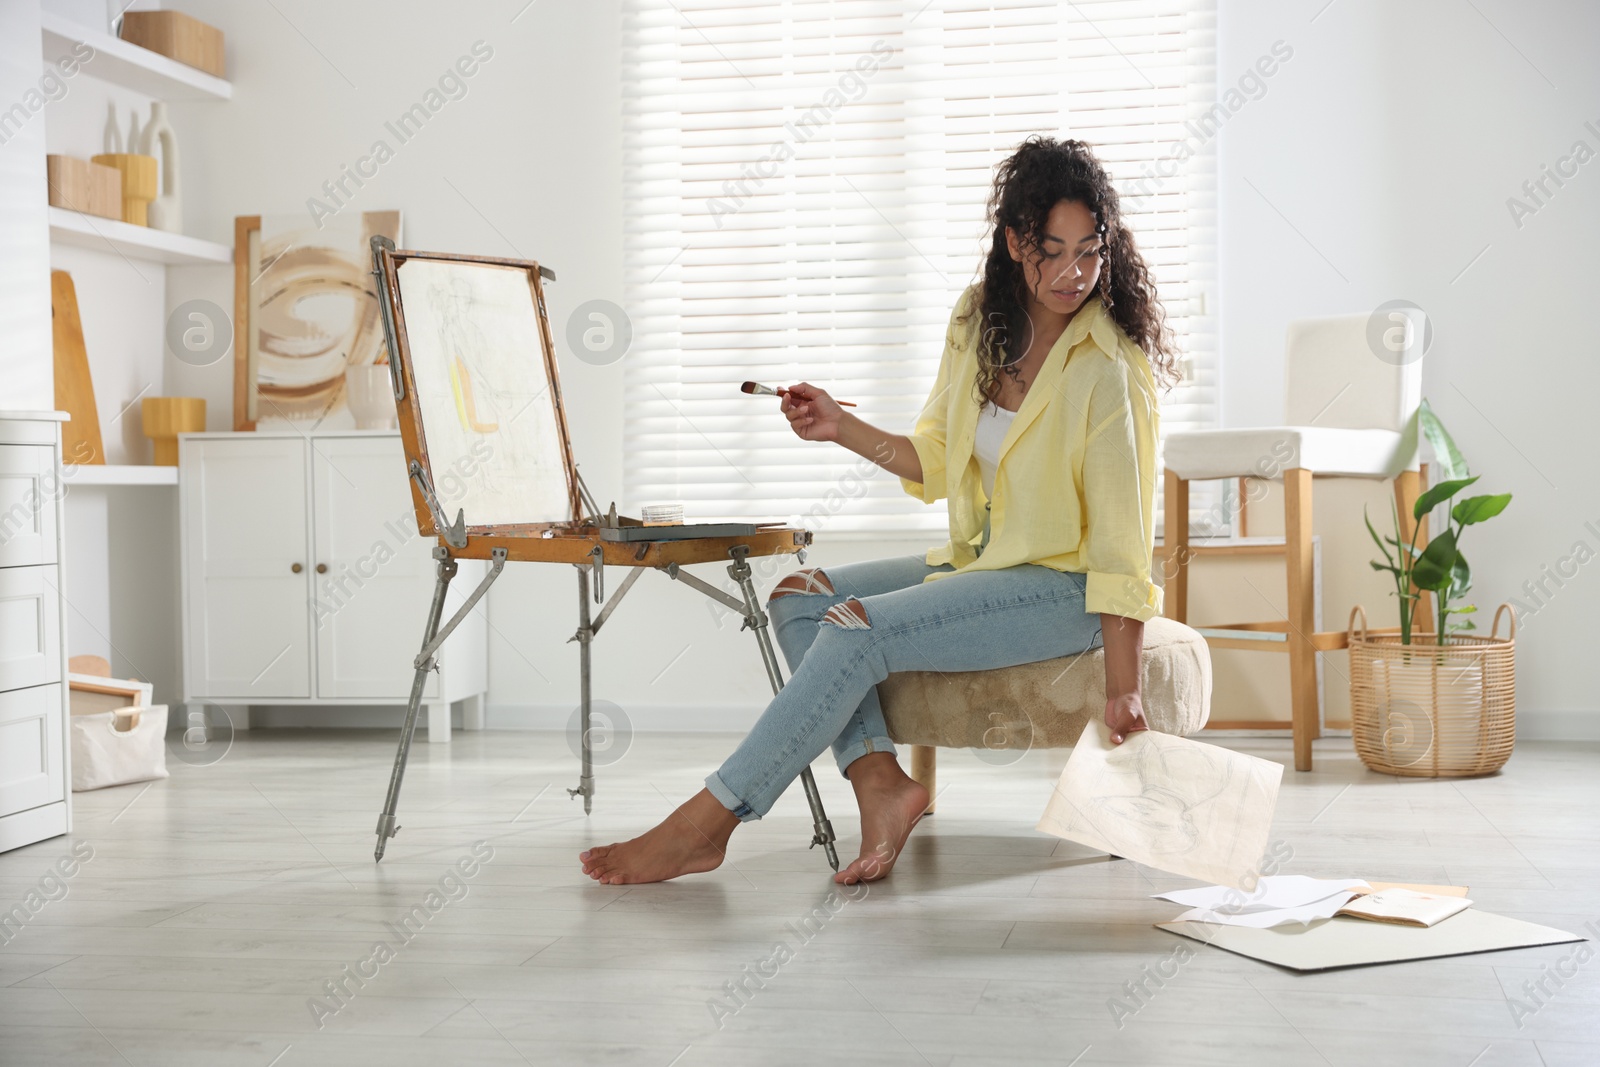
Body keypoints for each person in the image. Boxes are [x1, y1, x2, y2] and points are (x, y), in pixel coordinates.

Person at [580, 135, 1181, 887]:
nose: (1073, 272)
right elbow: (936, 459)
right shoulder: (978, 320)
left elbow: (1123, 542)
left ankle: (707, 822)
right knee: (800, 600)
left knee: (854, 628)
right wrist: (839, 427)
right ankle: (880, 783)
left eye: (1090, 252)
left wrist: (1124, 685)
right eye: (1051, 250)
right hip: (982, 560)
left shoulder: (1110, 366)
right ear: (1014, 242)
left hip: (1067, 588)